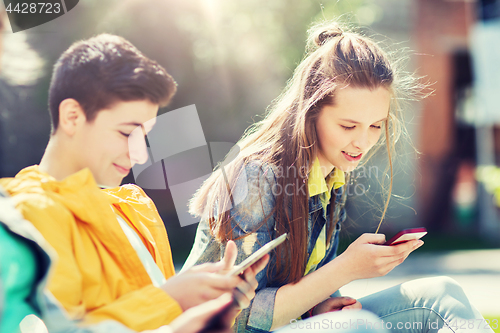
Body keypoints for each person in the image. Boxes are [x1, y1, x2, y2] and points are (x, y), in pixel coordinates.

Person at [182, 20, 493, 333]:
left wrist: (323, 305)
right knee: (358, 326)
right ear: (311, 112)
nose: (362, 142)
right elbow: (237, 318)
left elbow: (304, 285)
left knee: (442, 295)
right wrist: (346, 269)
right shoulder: (257, 177)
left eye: (375, 126)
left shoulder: (332, 174)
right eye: (348, 126)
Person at [0, 33, 267, 332]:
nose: (140, 155)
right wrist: (171, 298)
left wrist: (211, 308)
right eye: (127, 133)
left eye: (145, 136)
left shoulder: (136, 205)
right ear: (73, 116)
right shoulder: (22, 218)